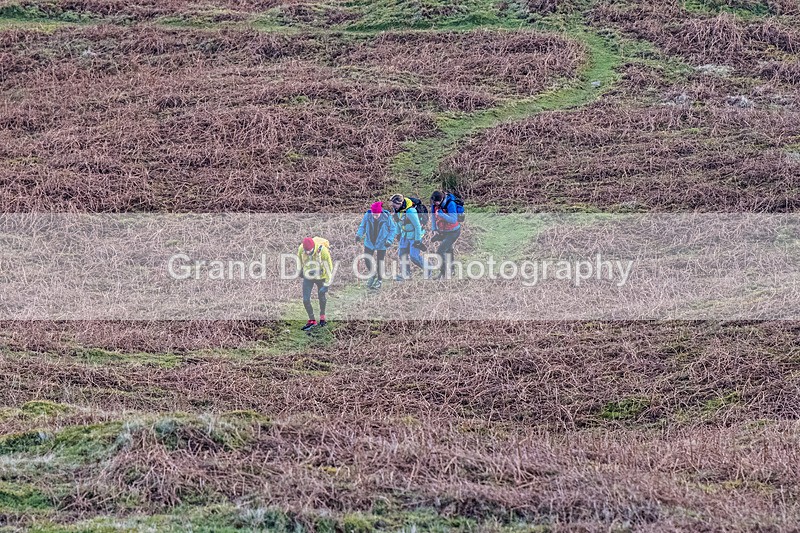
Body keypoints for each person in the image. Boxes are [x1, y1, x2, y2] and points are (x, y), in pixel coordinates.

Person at [356, 201, 397, 290]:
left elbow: (393, 229)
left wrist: (389, 240)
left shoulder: (386, 217)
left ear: (380, 212)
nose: (375, 217)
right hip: (369, 242)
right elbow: (362, 226)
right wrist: (359, 235)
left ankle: (379, 280)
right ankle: (373, 275)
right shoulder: (367, 215)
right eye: (374, 215)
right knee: (367, 259)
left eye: (376, 215)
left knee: (380, 262)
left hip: (382, 243)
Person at [297, 236, 333, 331]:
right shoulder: (301, 249)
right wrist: (300, 270)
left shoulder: (323, 251)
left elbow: (329, 268)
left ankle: (322, 317)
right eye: (306, 251)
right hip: (308, 276)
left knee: (321, 296)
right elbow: (299, 260)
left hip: (321, 277)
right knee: (305, 299)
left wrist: (327, 285)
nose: (307, 252)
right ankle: (312, 320)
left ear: (313, 247)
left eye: (309, 250)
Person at [389, 193, 425, 280]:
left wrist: (417, 240)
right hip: (404, 234)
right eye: (392, 205)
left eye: (394, 205)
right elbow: (398, 222)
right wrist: (398, 233)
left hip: (414, 236)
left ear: (400, 203)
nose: (393, 207)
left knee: (414, 256)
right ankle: (406, 275)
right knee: (402, 254)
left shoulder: (410, 211)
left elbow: (417, 226)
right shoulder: (398, 209)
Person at [430, 190, 462, 279]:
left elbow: (453, 219)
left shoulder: (450, 204)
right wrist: (434, 228)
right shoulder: (434, 204)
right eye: (434, 202)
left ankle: (443, 273)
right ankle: (451, 270)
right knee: (449, 250)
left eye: (437, 202)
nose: (435, 204)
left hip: (454, 232)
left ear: (442, 199)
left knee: (440, 251)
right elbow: (433, 216)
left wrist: (442, 214)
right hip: (443, 231)